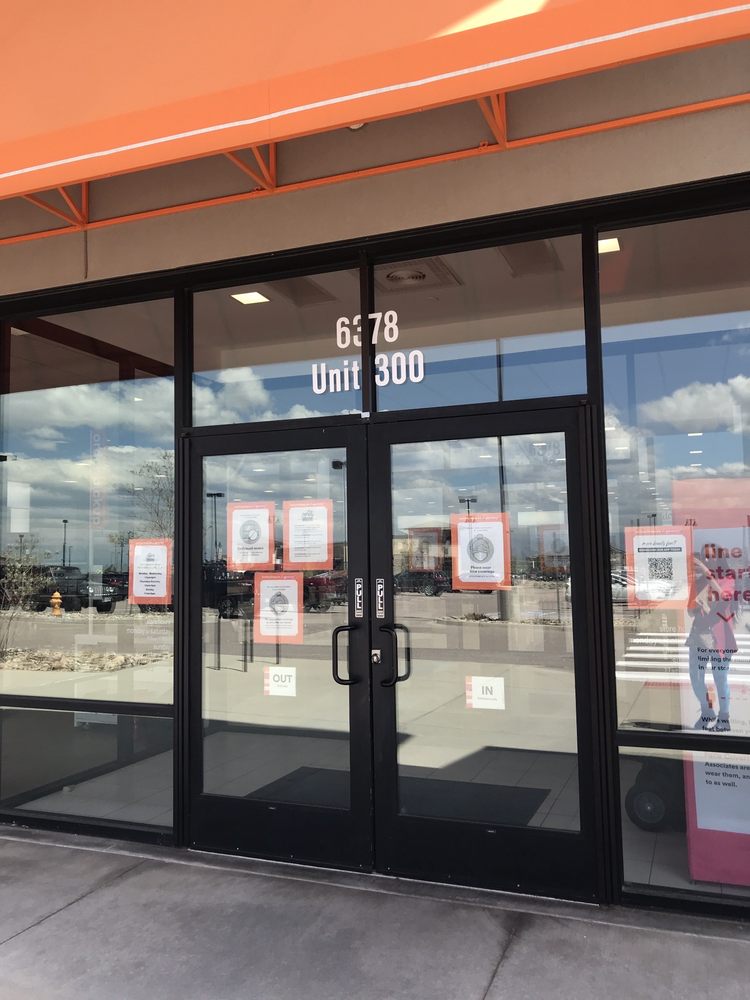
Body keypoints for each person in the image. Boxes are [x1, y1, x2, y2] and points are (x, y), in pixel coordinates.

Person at [686, 556, 738, 731]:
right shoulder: (698, 581)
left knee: (720, 678)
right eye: (705, 556)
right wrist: (695, 606)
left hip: (720, 636)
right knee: (696, 677)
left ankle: (724, 718)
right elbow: (690, 612)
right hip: (699, 635)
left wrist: (706, 571)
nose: (708, 559)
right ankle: (707, 711)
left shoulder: (728, 579)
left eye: (712, 556)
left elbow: (724, 596)